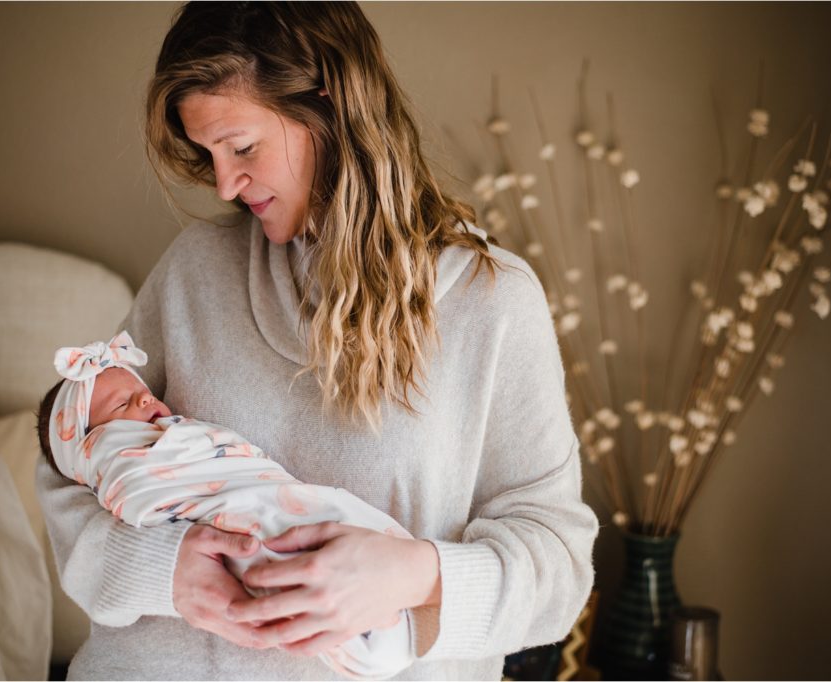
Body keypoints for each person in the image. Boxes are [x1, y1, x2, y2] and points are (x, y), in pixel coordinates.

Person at [35, 2, 599, 679]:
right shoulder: (194, 271)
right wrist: (162, 570)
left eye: (242, 148)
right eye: (208, 153)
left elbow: (558, 566)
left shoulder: (492, 303)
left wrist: (416, 576)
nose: (224, 184)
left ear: (329, 108)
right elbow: (67, 450)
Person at [36, 331, 414, 679]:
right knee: (285, 570)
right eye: (122, 403)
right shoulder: (118, 461)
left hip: (301, 515)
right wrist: (159, 565)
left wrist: (430, 578)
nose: (146, 397)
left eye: (144, 392)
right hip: (140, 662)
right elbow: (65, 473)